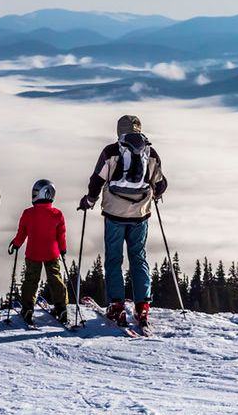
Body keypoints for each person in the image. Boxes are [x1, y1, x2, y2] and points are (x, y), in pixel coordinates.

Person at [79, 115, 167, 327]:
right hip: (140, 214)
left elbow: (96, 180)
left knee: (114, 259)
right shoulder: (150, 152)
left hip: (114, 214)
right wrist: (155, 193)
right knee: (138, 257)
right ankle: (142, 306)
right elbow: (161, 184)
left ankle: (116, 306)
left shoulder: (110, 151)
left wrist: (89, 200)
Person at [8, 179, 69, 325]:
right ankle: (61, 307)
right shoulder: (57, 214)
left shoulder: (28, 213)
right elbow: (61, 235)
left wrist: (16, 244)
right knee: (55, 278)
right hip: (52, 253)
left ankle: (28, 307)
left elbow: (22, 233)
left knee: (31, 280)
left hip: (33, 253)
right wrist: (63, 249)